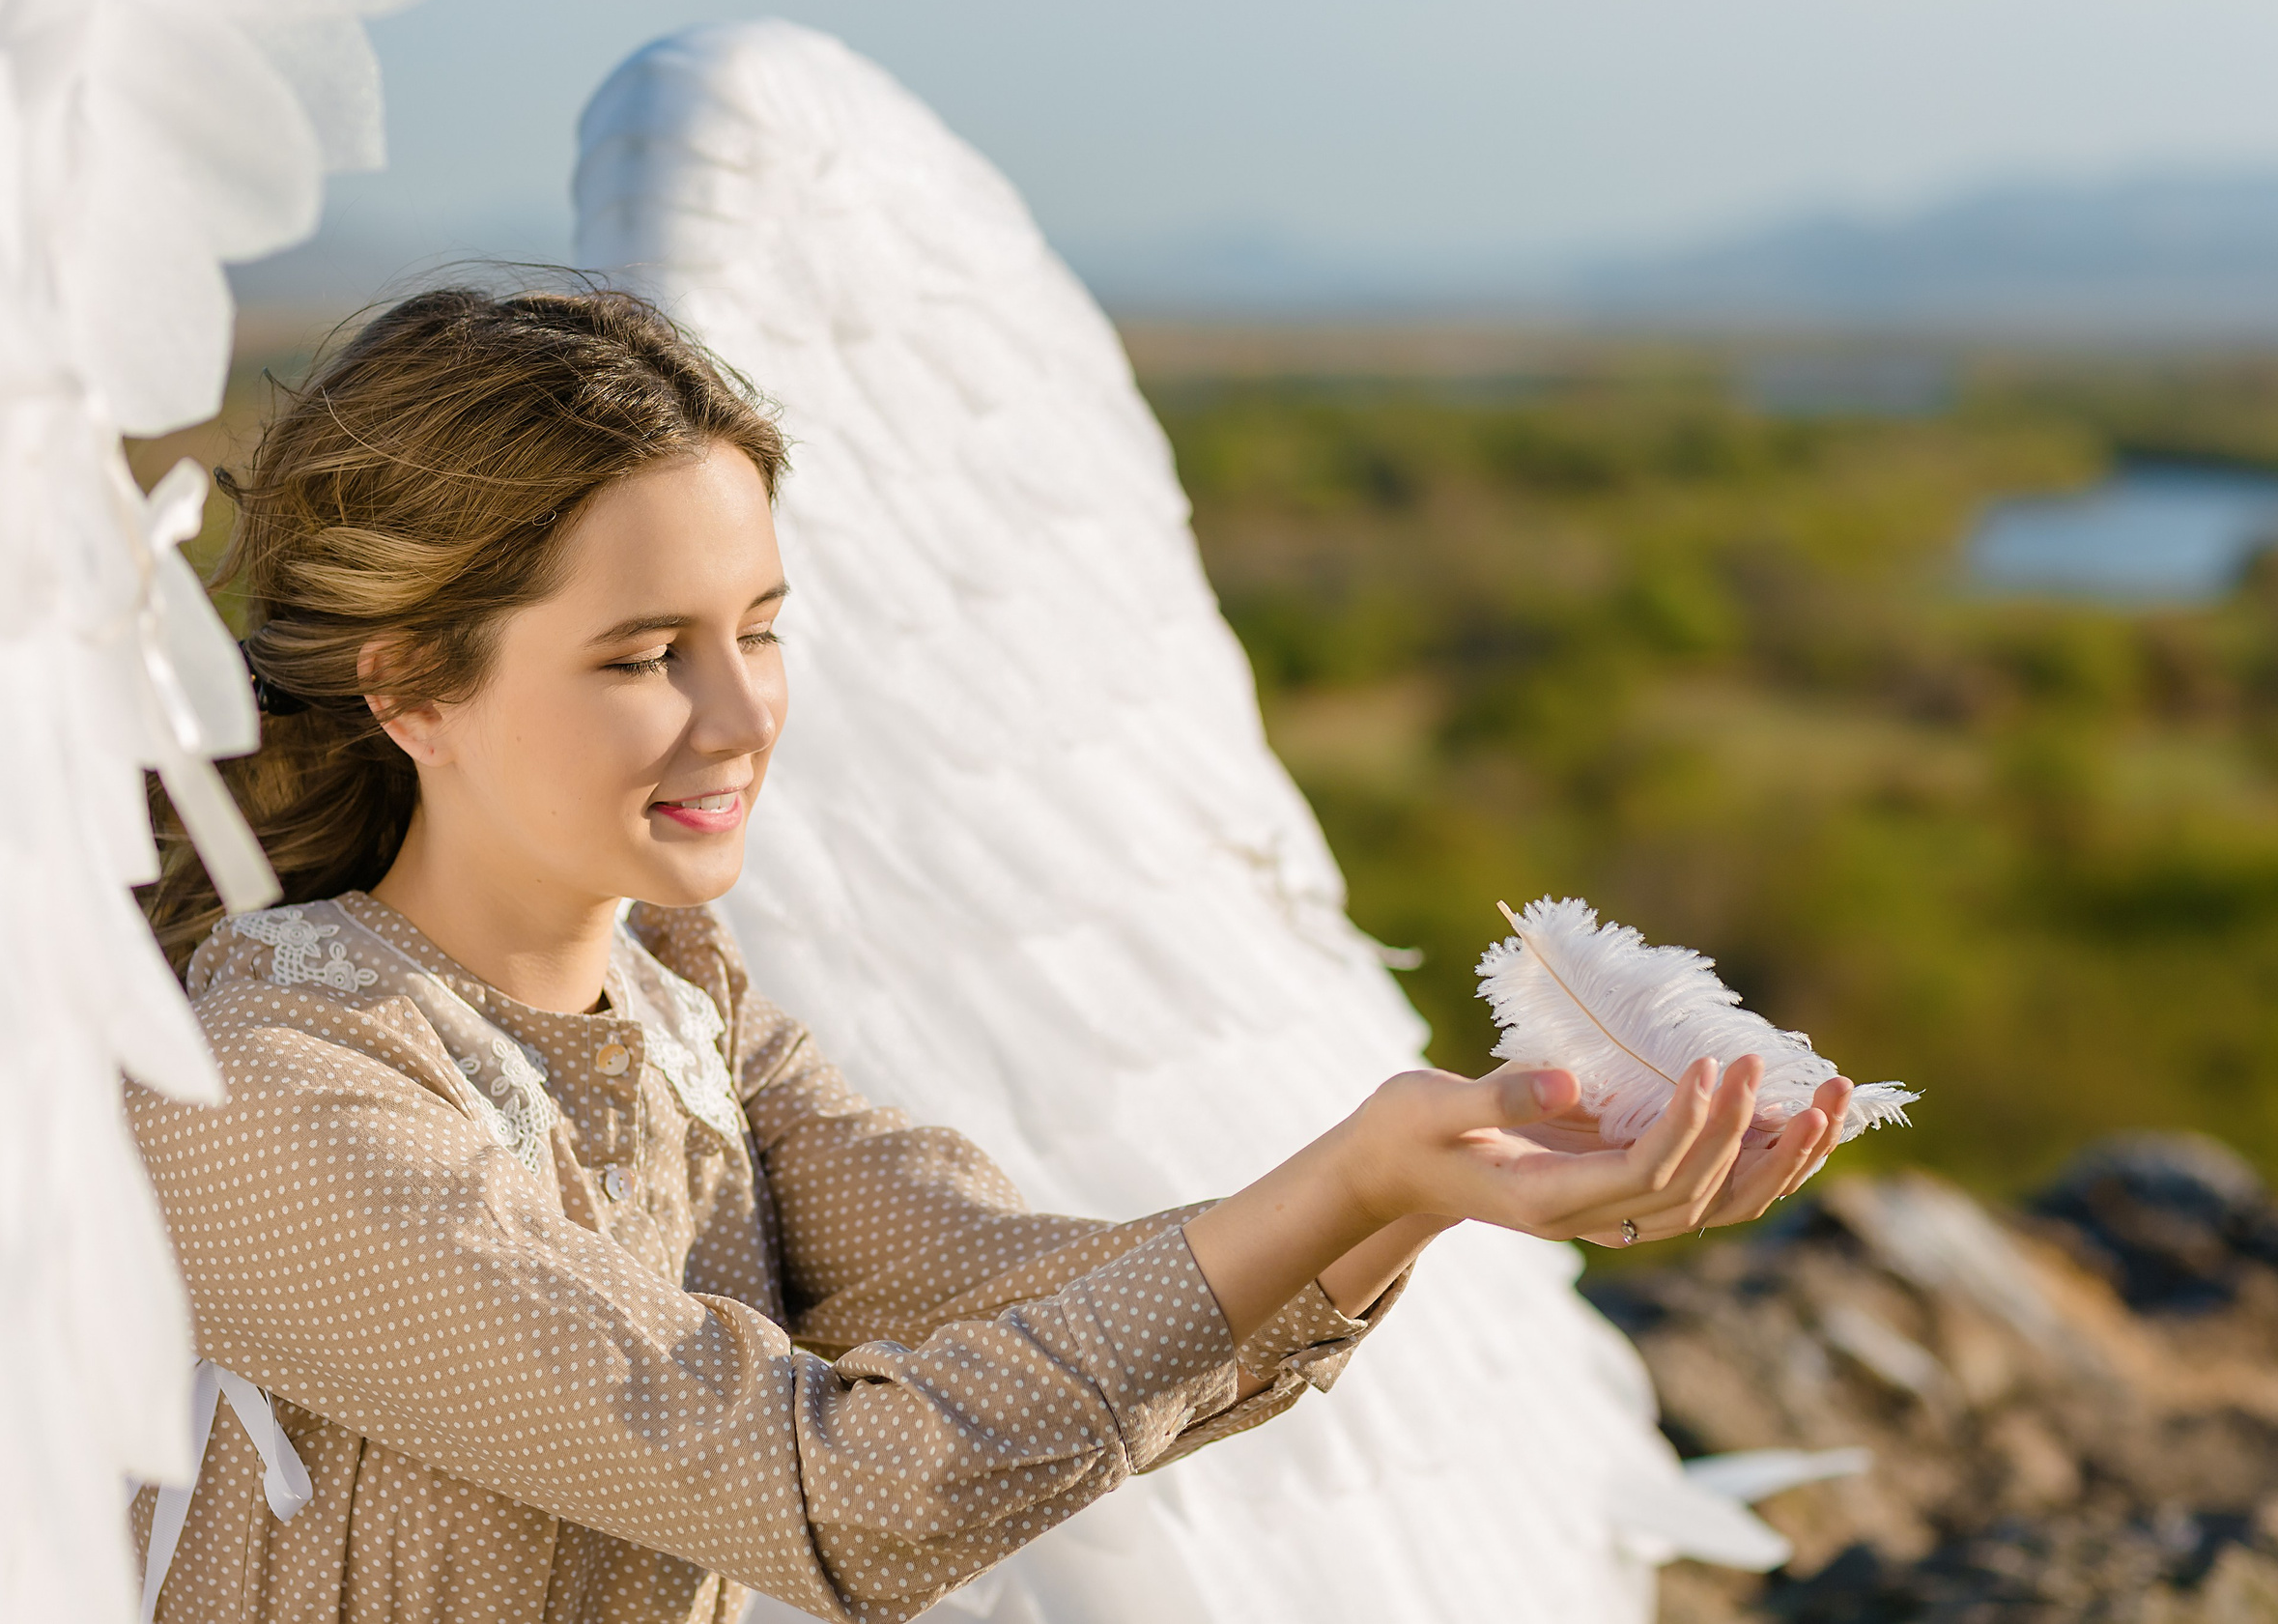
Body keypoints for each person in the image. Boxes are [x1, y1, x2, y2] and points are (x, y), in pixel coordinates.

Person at [130, 284, 1855, 1624]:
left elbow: (1022, 1304)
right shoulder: (263, 1086)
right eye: (646, 654)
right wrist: (1353, 1182)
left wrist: (1426, 1183)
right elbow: (840, 1495)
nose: (742, 716)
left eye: (761, 629)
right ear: (412, 686)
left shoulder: (685, 1004)